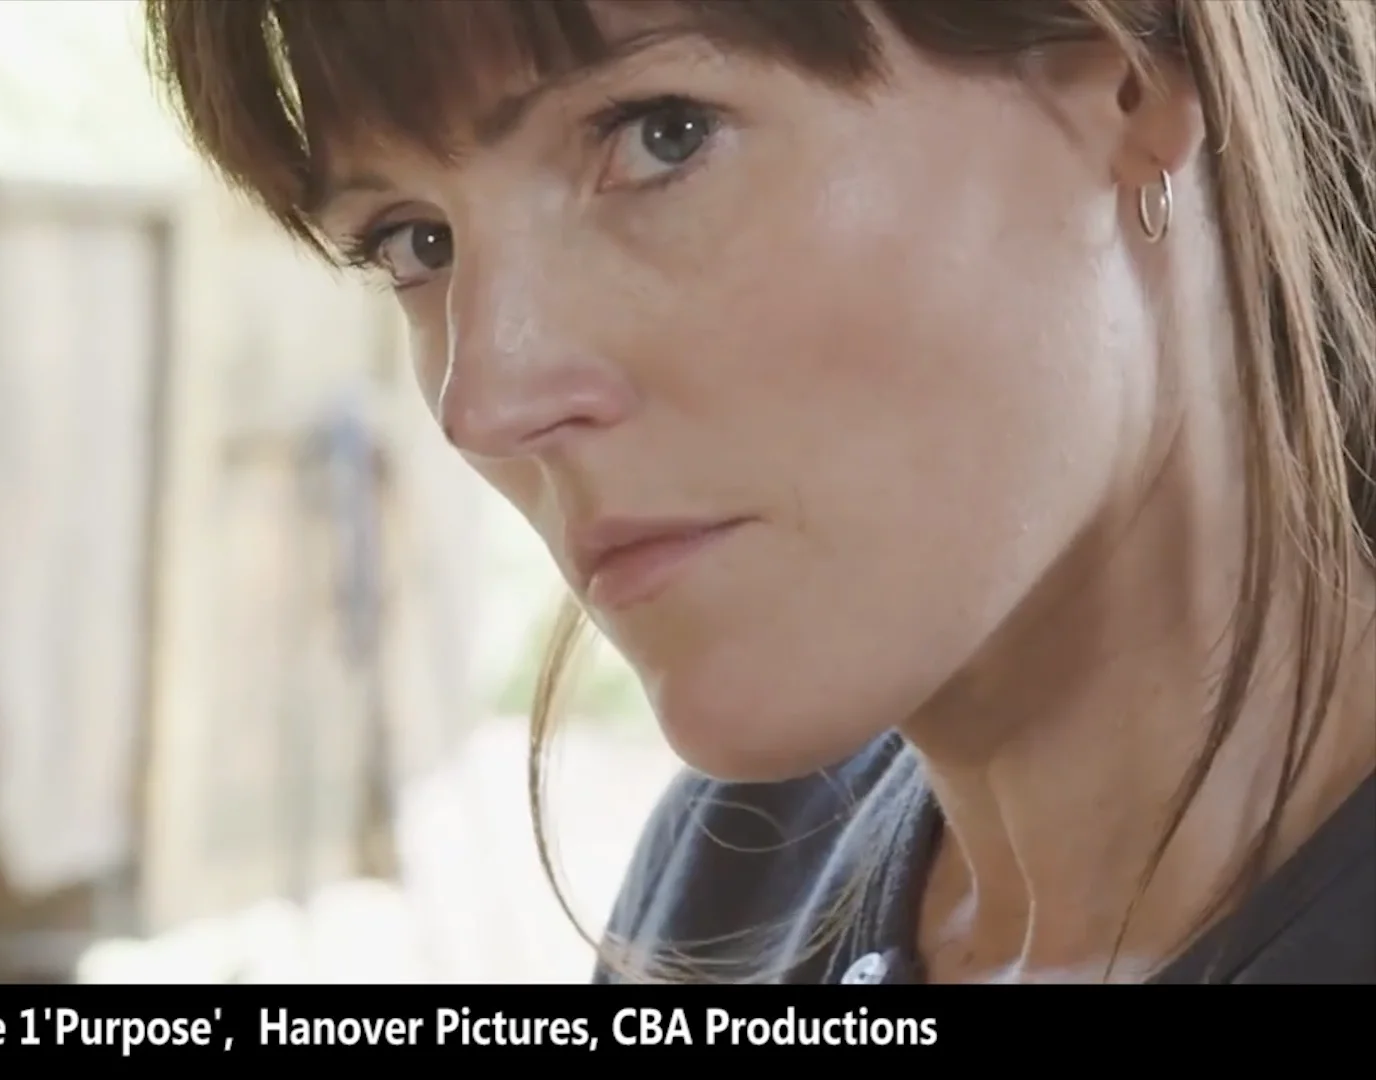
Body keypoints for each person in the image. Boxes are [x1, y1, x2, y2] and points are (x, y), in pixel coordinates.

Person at [143, 0, 1376, 984]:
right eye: (417, 241)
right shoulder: (738, 867)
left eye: (661, 134)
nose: (486, 403)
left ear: (1130, 78)